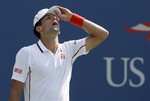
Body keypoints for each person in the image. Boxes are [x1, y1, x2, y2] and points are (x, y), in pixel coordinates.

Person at [9, 5, 109, 101]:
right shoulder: (26, 53)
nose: (54, 19)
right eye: (48, 18)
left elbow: (102, 34)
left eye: (55, 18)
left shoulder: (69, 49)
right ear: (39, 28)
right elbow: (15, 91)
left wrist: (72, 18)